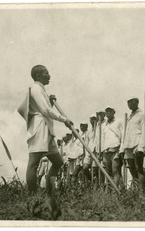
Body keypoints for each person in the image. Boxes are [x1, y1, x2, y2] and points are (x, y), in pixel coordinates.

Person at [17, 64, 73, 219]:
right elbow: (45, 110)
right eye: (47, 73)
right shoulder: (35, 89)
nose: (50, 75)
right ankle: (32, 198)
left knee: (58, 163)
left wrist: (49, 99)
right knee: (33, 164)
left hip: (47, 130)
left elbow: (45, 105)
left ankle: (49, 194)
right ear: (38, 75)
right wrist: (64, 120)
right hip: (39, 128)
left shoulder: (41, 90)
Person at [120, 96, 145, 194]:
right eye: (128, 102)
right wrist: (123, 148)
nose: (130, 104)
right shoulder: (130, 116)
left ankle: (142, 192)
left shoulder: (142, 115)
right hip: (128, 145)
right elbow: (126, 133)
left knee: (139, 168)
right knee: (132, 169)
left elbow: (144, 131)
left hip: (137, 144)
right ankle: (136, 189)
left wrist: (141, 147)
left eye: (132, 102)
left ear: (137, 102)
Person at [102, 106, 124, 190]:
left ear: (114, 112)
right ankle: (109, 190)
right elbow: (103, 138)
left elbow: (123, 135)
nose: (108, 113)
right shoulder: (104, 125)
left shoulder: (119, 122)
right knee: (107, 172)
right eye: (107, 111)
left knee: (115, 170)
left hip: (116, 148)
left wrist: (121, 149)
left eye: (110, 111)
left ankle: (116, 190)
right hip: (106, 150)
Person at [83, 114, 99, 183]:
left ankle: (97, 184)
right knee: (85, 167)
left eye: (94, 119)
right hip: (89, 151)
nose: (93, 120)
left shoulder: (99, 129)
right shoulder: (89, 132)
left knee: (95, 169)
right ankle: (91, 181)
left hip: (96, 150)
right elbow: (86, 143)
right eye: (92, 119)